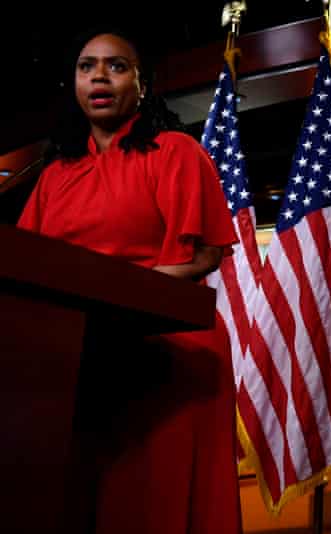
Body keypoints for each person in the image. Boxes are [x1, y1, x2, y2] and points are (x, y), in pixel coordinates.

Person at [17, 27, 242, 534]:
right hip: (80, 353)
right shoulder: (54, 174)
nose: (99, 75)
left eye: (116, 66)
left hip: (169, 351)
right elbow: (29, 262)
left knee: (154, 506)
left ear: (143, 83)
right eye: (86, 66)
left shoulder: (175, 151)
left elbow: (207, 254)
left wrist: (116, 291)